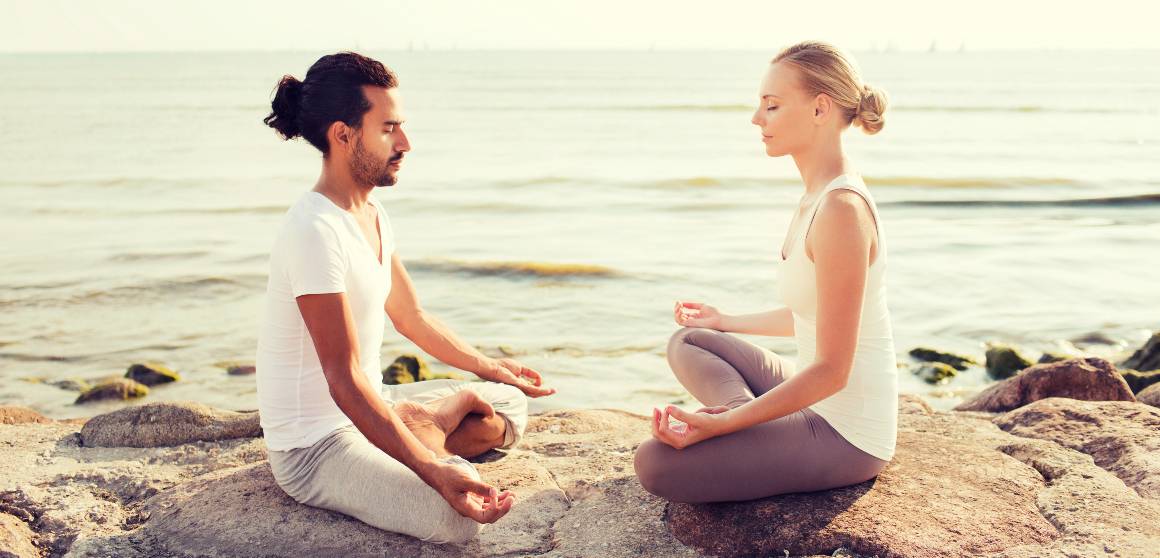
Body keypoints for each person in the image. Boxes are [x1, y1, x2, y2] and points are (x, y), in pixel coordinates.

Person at [256, 52, 555, 543]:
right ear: (343, 134)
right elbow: (343, 378)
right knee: (456, 518)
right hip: (316, 446)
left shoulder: (371, 214)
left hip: (374, 403)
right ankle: (425, 433)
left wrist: (490, 367)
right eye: (389, 128)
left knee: (508, 403)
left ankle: (428, 424)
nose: (405, 143)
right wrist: (432, 471)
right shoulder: (313, 230)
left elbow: (410, 316)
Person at [634, 41, 897, 503]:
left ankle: (744, 418)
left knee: (654, 465)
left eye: (771, 106)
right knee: (692, 340)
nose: (757, 119)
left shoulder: (840, 210)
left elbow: (834, 372)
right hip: (815, 397)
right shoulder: (816, 197)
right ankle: (749, 414)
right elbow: (810, 313)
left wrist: (724, 425)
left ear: (820, 109)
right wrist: (724, 321)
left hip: (847, 430)